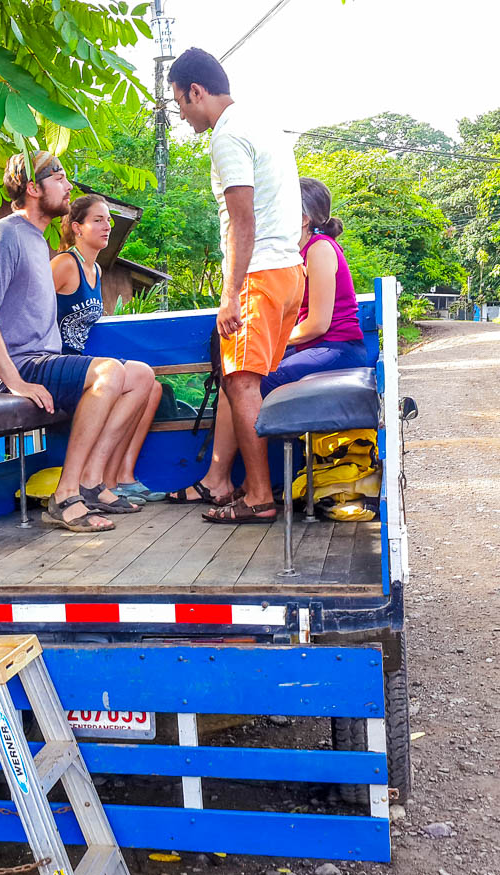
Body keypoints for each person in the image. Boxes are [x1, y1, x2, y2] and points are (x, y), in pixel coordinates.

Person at [0, 150, 156, 531]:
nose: (69, 187)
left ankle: (90, 482)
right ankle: (65, 495)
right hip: (13, 367)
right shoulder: (4, 235)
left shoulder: (36, 239)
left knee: (140, 375)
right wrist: (16, 382)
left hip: (41, 360)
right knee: (107, 372)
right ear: (34, 188)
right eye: (60, 179)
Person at [166, 178, 367, 510]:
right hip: (312, 349)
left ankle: (223, 480)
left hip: (337, 350)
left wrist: (269, 341)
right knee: (238, 375)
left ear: (302, 218)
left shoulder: (319, 249)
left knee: (249, 381)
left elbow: (318, 324)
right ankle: (226, 478)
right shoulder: (291, 256)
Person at [167, 48, 305, 524]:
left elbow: (241, 222)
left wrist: (230, 295)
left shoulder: (226, 136)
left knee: (241, 383)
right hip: (290, 274)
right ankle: (241, 483)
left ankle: (260, 497)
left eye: (180, 103)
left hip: (259, 275)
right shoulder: (261, 122)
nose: (181, 115)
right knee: (243, 381)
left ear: (196, 91)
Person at [51, 194, 166, 504]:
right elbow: (32, 311)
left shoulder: (97, 271)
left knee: (147, 381)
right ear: (77, 227)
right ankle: (94, 479)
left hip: (81, 364)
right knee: (135, 377)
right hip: (57, 365)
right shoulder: (64, 264)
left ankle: (106, 479)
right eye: (98, 220)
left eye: (109, 220)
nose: (107, 226)